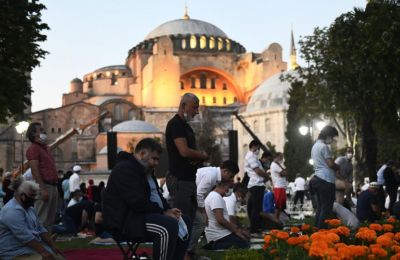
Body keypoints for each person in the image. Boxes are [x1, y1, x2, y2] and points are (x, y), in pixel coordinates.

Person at [103, 138, 189, 260]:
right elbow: (136, 201)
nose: (156, 163)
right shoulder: (125, 169)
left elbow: (156, 194)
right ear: (142, 154)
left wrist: (169, 210)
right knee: (167, 226)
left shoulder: (146, 171)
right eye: (154, 159)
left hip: (141, 216)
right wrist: (163, 212)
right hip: (126, 221)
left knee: (184, 220)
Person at [0, 178, 64, 260]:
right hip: (12, 251)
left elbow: (40, 229)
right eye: (32, 195)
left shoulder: (30, 209)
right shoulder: (11, 211)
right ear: (22, 196)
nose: (35, 198)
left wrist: (52, 245)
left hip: (27, 247)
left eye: (35, 195)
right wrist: (43, 251)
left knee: (59, 257)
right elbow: (25, 236)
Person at [188, 160, 239, 255]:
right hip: (186, 196)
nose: (230, 179)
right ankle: (188, 252)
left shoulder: (215, 176)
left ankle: (190, 251)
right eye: (231, 176)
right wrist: (204, 212)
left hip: (190, 197)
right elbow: (199, 194)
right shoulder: (212, 175)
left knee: (195, 224)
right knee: (199, 223)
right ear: (225, 171)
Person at [26, 122, 59, 232]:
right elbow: (35, 170)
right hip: (45, 186)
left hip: (52, 187)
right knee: (41, 220)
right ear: (34, 134)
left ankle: (47, 247)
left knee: (49, 221)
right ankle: (39, 247)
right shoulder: (34, 149)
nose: (44, 132)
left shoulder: (45, 148)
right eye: (41, 130)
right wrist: (43, 188)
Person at [204, 180, 249, 250]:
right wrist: (236, 230)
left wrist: (237, 229)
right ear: (223, 185)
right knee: (244, 244)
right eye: (228, 188)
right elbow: (220, 220)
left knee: (244, 240)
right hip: (219, 236)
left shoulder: (214, 196)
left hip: (220, 234)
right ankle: (215, 245)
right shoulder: (215, 197)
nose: (228, 191)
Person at [309, 125, 339, 229]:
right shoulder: (324, 147)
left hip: (317, 178)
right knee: (326, 208)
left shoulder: (315, 146)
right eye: (332, 137)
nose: (332, 140)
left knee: (320, 207)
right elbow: (330, 164)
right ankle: (322, 232)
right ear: (328, 135)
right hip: (326, 179)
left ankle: (316, 230)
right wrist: (337, 166)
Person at [245, 140, 268, 234]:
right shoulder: (251, 156)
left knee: (253, 206)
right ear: (254, 146)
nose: (259, 150)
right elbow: (258, 171)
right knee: (256, 207)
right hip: (256, 183)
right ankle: (254, 228)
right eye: (258, 148)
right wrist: (267, 176)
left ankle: (254, 226)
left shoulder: (253, 156)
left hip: (256, 183)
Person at [270, 152, 287, 220]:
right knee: (278, 205)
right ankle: (275, 220)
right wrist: (283, 171)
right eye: (281, 157)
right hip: (278, 186)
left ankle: (277, 219)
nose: (282, 158)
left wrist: (283, 170)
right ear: (277, 157)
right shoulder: (274, 165)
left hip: (281, 186)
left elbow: (285, 172)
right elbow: (284, 173)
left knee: (281, 206)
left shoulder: (279, 164)